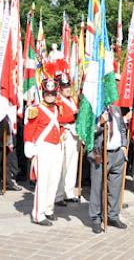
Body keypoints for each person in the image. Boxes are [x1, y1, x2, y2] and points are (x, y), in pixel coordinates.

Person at [24, 78, 63, 226]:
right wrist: (29, 145)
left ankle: (48, 209)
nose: (50, 96)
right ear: (43, 93)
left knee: (54, 179)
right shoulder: (36, 109)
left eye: (53, 94)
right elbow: (29, 129)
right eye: (48, 93)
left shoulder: (58, 108)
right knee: (43, 181)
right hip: (43, 148)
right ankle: (38, 214)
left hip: (56, 147)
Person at [88, 104, 130, 234]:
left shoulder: (116, 108)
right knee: (97, 187)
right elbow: (86, 132)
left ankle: (113, 216)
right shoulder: (92, 108)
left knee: (115, 188)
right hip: (100, 153)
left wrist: (124, 146)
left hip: (117, 153)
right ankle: (96, 218)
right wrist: (99, 123)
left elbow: (122, 129)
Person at [55, 73, 80, 206]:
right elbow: (59, 117)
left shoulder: (72, 100)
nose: (67, 89)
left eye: (68, 86)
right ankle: (58, 195)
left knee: (72, 165)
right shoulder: (57, 100)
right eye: (64, 86)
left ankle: (69, 192)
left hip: (73, 134)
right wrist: (74, 115)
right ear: (59, 87)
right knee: (61, 165)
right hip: (63, 133)